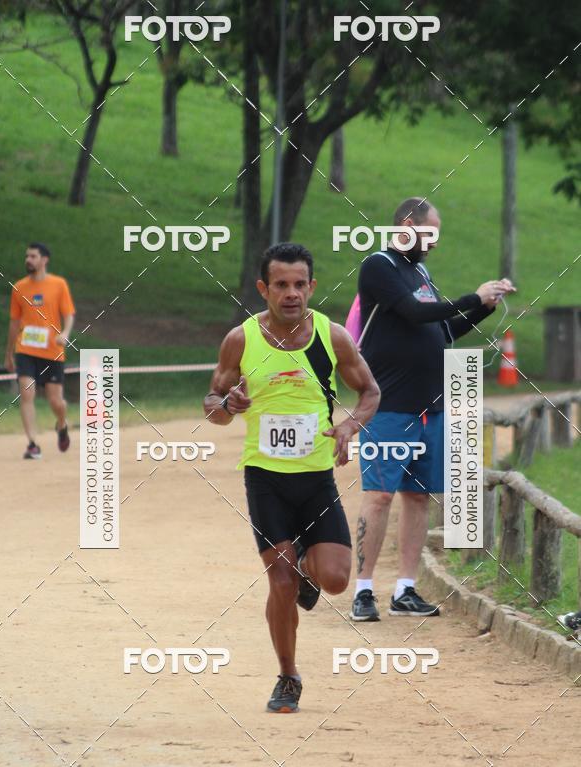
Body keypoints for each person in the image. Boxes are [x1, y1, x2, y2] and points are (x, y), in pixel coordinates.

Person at [205, 243, 380, 713]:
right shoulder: (240, 340)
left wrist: (349, 425)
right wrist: (227, 406)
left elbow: (370, 391)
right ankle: (288, 676)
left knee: (338, 580)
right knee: (279, 581)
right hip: (266, 478)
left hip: (316, 478)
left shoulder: (333, 337)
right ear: (263, 288)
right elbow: (213, 406)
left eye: (299, 284)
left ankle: (308, 569)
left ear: (312, 287)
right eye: (280, 284)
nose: (291, 293)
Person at [350, 198, 516, 622]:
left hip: (431, 407)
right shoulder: (379, 266)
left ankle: (405, 589)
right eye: (432, 233)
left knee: (419, 497)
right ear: (408, 225)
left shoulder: (421, 272)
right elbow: (412, 312)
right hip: (388, 406)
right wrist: (469, 296)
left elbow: (442, 329)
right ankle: (364, 590)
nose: (435, 243)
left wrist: (483, 306)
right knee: (380, 495)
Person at [4, 243, 76, 460]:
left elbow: (69, 314)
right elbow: (14, 323)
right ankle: (32, 444)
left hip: (52, 351)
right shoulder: (19, 288)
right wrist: (9, 352)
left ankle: (62, 425)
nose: (28, 259)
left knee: (56, 402)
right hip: (25, 349)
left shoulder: (58, 284)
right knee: (26, 392)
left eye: (33, 256)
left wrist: (66, 332)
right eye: (27, 256)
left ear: (44, 260)